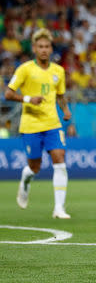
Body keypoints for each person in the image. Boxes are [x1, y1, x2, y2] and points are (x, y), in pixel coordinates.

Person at [5, 28, 72, 219]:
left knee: (60, 160)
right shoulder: (25, 69)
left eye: (47, 46)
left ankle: (59, 208)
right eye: (40, 46)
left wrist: (65, 110)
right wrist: (27, 98)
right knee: (34, 167)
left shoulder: (58, 71)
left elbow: (60, 95)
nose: (44, 50)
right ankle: (26, 180)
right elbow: (8, 93)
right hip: (31, 125)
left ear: (51, 49)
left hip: (53, 123)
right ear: (34, 48)